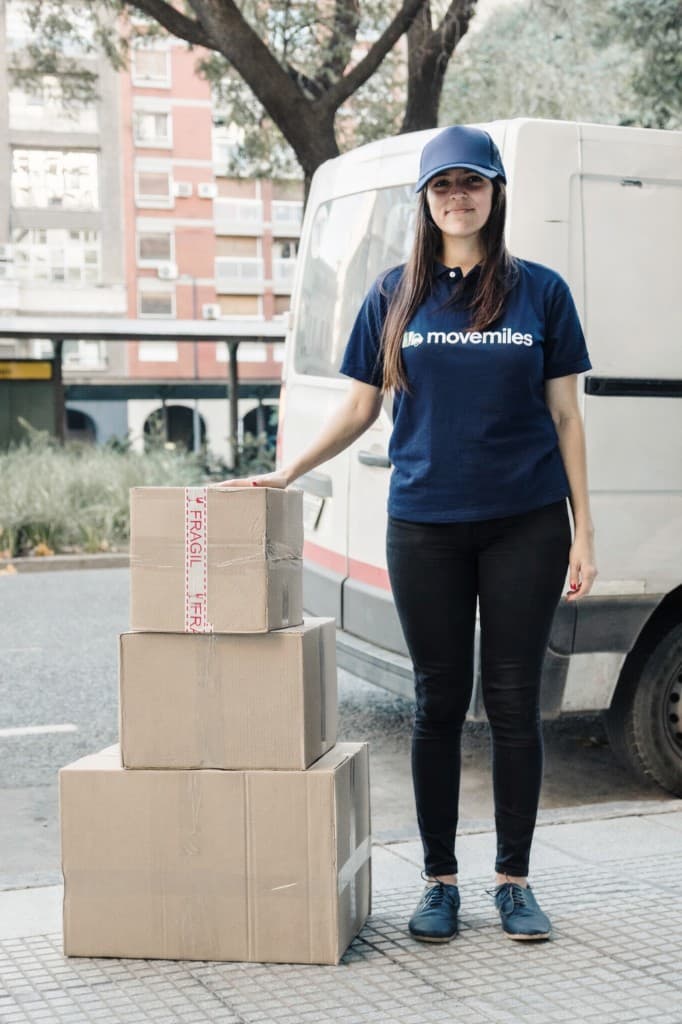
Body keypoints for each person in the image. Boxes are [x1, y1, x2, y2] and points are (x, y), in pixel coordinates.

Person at [215, 125, 598, 944]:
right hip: (424, 524)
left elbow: (566, 416)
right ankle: (440, 882)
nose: (458, 197)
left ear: (496, 193)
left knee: (514, 704)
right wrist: (286, 471)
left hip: (527, 524)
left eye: (473, 183)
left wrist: (584, 531)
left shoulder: (542, 293)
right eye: (442, 186)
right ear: (425, 202)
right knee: (436, 702)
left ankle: (514, 880)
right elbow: (358, 407)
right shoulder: (395, 294)